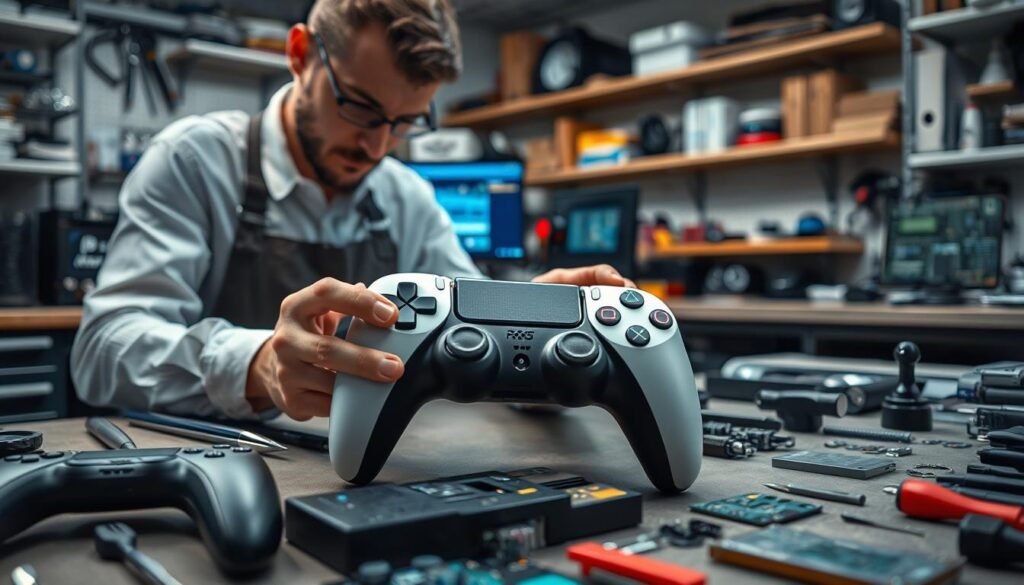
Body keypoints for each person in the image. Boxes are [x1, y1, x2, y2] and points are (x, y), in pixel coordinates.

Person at [71, 0, 633, 423]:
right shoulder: (195, 161)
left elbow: (468, 332)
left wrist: (527, 327)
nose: (377, 146)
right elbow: (102, 350)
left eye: (405, 122)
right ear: (299, 55)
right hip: (216, 464)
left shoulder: (405, 197)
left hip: (363, 475)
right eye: (361, 108)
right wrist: (257, 364)